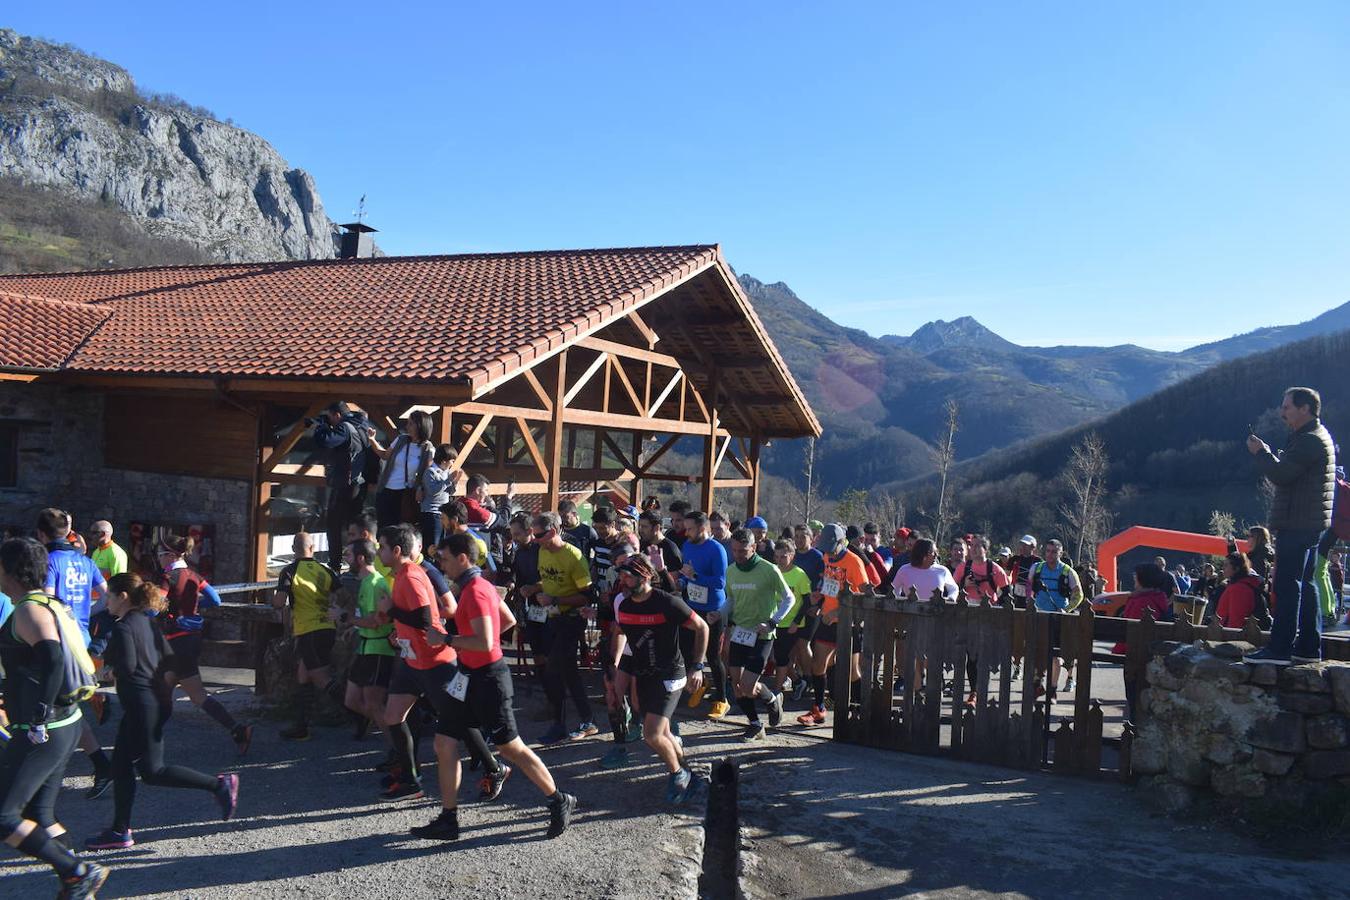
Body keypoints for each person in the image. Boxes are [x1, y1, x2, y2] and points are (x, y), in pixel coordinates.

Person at [406, 532, 575, 840]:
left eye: (444, 559)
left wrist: (446, 639)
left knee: (510, 747)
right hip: (468, 675)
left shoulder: (476, 591)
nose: (441, 565)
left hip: (488, 678)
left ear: (462, 558)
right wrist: (469, 641)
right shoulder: (474, 586)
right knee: (444, 743)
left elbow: (485, 641)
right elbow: (507, 620)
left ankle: (559, 799)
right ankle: (448, 819)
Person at [84, 574, 239, 851]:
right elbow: (169, 659)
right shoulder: (148, 622)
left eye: (109, 596)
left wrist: (107, 671)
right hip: (154, 703)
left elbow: (127, 667)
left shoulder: (122, 629)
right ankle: (121, 830)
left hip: (142, 706)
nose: (105, 600)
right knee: (132, 768)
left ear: (122, 597)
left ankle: (219, 785)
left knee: (151, 770)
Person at [0, 537, 109, 897]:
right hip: (64, 724)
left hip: (44, 730)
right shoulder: (46, 602)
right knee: (41, 815)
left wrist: (38, 715)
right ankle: (76, 880)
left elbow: (52, 657)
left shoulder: (30, 610)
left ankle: (76, 872)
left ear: (9, 571)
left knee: (5, 816)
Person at [374, 525, 506, 803]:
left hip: (435, 662)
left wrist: (391, 611)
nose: (378, 551)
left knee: (457, 719)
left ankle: (493, 768)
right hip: (413, 662)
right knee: (392, 716)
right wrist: (398, 630)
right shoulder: (400, 575)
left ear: (397, 551)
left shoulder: (411, 576)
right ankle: (411, 780)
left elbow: (424, 620)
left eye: (382, 546)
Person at [1244, 388, 1337, 665]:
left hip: (1297, 522)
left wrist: (1261, 453)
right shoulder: (1316, 436)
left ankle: (1280, 647)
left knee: (1287, 585)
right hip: (1309, 521)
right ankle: (1308, 646)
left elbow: (1282, 475)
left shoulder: (1309, 440)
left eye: (1287, 407)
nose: (1282, 412)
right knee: (1306, 584)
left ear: (1305, 408)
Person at [610, 554, 709, 803]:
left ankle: (677, 774)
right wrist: (615, 664)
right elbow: (620, 632)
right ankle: (690, 774)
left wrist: (697, 666)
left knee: (652, 734)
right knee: (663, 733)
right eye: (621, 576)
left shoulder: (667, 602)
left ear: (644, 577)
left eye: (627, 576)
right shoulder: (625, 605)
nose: (622, 581)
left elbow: (702, 628)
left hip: (670, 674)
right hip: (644, 674)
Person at [37, 508, 113, 796]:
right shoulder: (84, 561)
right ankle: (98, 763)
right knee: (66, 706)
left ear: (41, 534)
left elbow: (45, 600)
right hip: (80, 636)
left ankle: (43, 775)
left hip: (56, 639)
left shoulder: (49, 561)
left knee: (53, 704)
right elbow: (106, 597)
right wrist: (83, 614)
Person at [157, 535, 252, 754]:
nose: (159, 559)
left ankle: (239, 730)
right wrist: (196, 604)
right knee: (163, 689)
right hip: (191, 639)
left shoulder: (168, 577)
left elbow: (155, 607)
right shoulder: (194, 575)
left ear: (171, 555)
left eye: (161, 555)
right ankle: (145, 739)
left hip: (176, 642)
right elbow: (215, 600)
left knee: (197, 695)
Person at [532, 512, 599, 743]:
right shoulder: (542, 550)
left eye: (538, 534)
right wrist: (534, 589)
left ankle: (559, 724)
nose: (534, 538)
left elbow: (586, 596)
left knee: (553, 670)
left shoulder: (574, 556)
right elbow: (549, 580)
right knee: (568, 672)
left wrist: (555, 601)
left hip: (572, 618)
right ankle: (586, 720)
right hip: (553, 618)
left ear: (552, 532)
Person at [724, 530, 794, 741]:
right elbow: (731, 600)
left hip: (762, 635)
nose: (738, 555)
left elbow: (788, 598)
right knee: (737, 686)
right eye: (734, 550)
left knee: (747, 686)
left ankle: (772, 699)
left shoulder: (769, 569)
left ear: (754, 548)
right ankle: (755, 724)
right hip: (740, 632)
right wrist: (718, 613)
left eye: (743, 551)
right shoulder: (731, 571)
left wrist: (773, 622)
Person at [271, 533, 342, 741]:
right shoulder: (325, 570)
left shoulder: (289, 571)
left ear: (294, 549)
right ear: (312, 548)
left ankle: (358, 711)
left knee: (321, 679)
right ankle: (301, 726)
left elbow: (279, 602)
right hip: (327, 628)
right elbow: (342, 595)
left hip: (307, 631)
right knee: (304, 674)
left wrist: (277, 598)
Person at [798, 524, 868, 726]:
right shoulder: (827, 557)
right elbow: (830, 584)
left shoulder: (854, 562)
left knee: (851, 671)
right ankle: (818, 709)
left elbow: (864, 595)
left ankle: (858, 708)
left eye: (831, 547)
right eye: (825, 547)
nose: (827, 552)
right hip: (827, 619)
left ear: (841, 542)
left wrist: (839, 611)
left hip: (849, 622)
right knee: (818, 664)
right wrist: (820, 599)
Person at [338, 539, 395, 757]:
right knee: (351, 700)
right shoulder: (366, 582)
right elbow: (366, 618)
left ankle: (398, 749)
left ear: (361, 559)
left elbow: (374, 622)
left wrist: (345, 618)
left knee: (373, 704)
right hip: (365, 647)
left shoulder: (374, 583)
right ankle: (395, 733)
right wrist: (352, 627)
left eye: (349, 555)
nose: (346, 559)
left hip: (378, 649)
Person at [678, 511, 731, 719]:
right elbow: (686, 574)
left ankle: (722, 699)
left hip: (713, 610)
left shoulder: (716, 549)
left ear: (702, 528)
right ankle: (699, 684)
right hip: (692, 605)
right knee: (688, 649)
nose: (686, 532)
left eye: (690, 528)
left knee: (713, 656)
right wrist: (682, 581)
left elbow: (720, 583)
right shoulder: (687, 545)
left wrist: (695, 576)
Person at [311, 401, 373, 572]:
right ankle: (360, 561)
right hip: (359, 484)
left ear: (337, 415)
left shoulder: (345, 428)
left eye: (330, 417)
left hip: (345, 484)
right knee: (354, 526)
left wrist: (320, 427)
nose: (330, 421)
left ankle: (335, 564)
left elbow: (325, 441)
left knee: (334, 525)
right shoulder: (361, 425)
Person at [1030, 539, 1085, 695]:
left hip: (1059, 619)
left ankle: (1052, 689)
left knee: (1056, 657)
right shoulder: (1037, 568)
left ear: (1060, 553)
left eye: (1054, 552)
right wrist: (1030, 603)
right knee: (1035, 653)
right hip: (1039, 617)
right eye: (1047, 551)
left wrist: (1066, 609)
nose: (1050, 554)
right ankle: (1038, 683)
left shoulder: (1068, 571)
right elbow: (1029, 588)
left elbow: (1079, 594)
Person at [369, 410, 435, 529]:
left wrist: (421, 488)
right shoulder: (401, 440)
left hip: (406, 493)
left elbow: (427, 473)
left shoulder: (428, 448)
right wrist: (372, 440)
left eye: (411, 424)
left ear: (420, 426)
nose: (407, 427)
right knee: (383, 527)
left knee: (400, 529)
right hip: (386, 489)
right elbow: (384, 455)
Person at [770, 540, 813, 701]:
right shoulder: (774, 571)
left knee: (781, 658)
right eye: (777, 557)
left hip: (792, 624)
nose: (779, 560)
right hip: (775, 620)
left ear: (792, 556)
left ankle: (776, 691)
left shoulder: (799, 574)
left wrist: (796, 622)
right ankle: (797, 681)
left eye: (783, 557)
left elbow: (807, 601)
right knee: (776, 658)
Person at [418, 444, 457, 553]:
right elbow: (432, 491)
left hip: (442, 514)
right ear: (444, 460)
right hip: (431, 513)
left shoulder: (446, 473)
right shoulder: (430, 472)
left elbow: (449, 491)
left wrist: (454, 482)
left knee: (441, 545)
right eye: (452, 461)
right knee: (432, 546)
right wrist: (448, 481)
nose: (452, 464)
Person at [892, 538, 959, 600]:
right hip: (910, 610)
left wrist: (951, 598)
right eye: (933, 552)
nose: (936, 555)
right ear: (923, 554)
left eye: (936, 552)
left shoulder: (942, 571)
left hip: (935, 611)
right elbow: (894, 591)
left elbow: (954, 588)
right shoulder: (904, 570)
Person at [954, 536, 1010, 605]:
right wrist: (964, 584)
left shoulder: (996, 569)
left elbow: (1007, 593)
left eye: (977, 546)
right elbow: (951, 590)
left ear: (985, 550)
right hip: (965, 610)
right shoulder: (962, 567)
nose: (973, 549)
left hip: (988, 610)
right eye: (972, 545)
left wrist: (997, 607)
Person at [638, 511, 682, 594]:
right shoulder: (642, 543)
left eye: (644, 527)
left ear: (656, 528)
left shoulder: (671, 550)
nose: (641, 530)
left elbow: (674, 586)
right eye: (640, 526)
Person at [1216, 553, 1263, 629]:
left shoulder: (1239, 589)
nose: (1223, 568)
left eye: (1226, 565)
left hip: (1230, 635)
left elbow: (1236, 622)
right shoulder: (1243, 584)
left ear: (1237, 568)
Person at [558, 499, 598, 565]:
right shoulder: (558, 531)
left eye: (565, 516)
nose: (563, 519)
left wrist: (592, 566)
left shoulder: (587, 531)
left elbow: (597, 551)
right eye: (561, 517)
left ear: (574, 514)